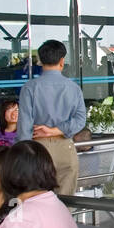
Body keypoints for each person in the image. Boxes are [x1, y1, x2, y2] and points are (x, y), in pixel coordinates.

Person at [16, 39, 87, 196]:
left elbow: (24, 127)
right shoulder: (73, 88)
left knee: (38, 201)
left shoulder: (30, 87)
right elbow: (81, 119)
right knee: (65, 202)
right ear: (62, 61)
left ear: (40, 61)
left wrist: (23, 155)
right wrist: (56, 130)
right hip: (65, 148)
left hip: (37, 149)